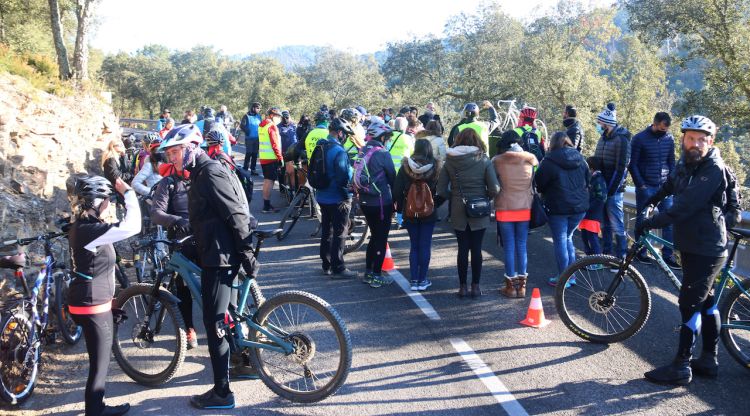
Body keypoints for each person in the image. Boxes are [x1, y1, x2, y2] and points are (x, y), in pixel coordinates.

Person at [160, 124, 259, 409]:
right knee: (225, 317)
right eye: (169, 154)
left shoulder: (209, 172)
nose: (172, 158)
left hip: (221, 257)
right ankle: (244, 361)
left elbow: (235, 213)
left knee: (214, 324)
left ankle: (222, 393)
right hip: (213, 250)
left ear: (191, 147)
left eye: (176, 151)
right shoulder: (201, 173)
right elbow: (209, 215)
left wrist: (246, 252)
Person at [637, 115, 740, 386]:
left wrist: (650, 222)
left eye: (700, 139)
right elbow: (670, 184)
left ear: (710, 141)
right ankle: (708, 361)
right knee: (706, 302)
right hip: (692, 244)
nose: (694, 143)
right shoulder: (687, 162)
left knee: (689, 304)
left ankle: (682, 366)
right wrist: (652, 199)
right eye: (690, 138)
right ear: (683, 139)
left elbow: (685, 207)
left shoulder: (713, 168)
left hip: (707, 247)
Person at [67, 175, 140, 416]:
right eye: (107, 198)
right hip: (92, 304)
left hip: (88, 301)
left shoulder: (84, 225)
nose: (109, 203)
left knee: (99, 360)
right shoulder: (90, 230)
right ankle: (96, 411)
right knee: (99, 365)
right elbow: (133, 226)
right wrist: (129, 194)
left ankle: (96, 408)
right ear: (99, 201)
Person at [437, 128, 499, 298]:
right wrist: (485, 197)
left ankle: (462, 287)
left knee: (462, 248)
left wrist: (455, 196)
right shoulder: (484, 159)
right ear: (477, 141)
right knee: (477, 248)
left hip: (458, 208)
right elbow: (494, 188)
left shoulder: (450, 161)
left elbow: (441, 190)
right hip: (479, 207)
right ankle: (476, 286)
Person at [149, 161, 201, 350]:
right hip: (181, 243)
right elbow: (156, 213)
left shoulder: (204, 178)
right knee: (182, 289)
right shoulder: (168, 183)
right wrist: (177, 221)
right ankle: (189, 329)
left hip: (205, 239)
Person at [535, 132, 590, 286]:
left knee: (560, 240)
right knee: (568, 238)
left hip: (558, 207)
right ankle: (571, 276)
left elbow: (539, 184)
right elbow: (587, 180)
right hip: (579, 207)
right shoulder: (580, 158)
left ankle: (564, 277)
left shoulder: (549, 161)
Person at [629, 112, 679, 268]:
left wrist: (672, 181)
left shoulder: (669, 139)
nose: (664, 131)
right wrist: (641, 185)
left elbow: (671, 162)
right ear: (655, 123)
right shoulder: (639, 138)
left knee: (669, 220)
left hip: (665, 187)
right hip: (646, 187)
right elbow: (633, 164)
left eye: (666, 129)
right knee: (643, 220)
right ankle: (640, 252)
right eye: (662, 128)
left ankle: (668, 256)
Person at [492, 129, 538, 298]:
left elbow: (493, 184)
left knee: (509, 246)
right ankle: (523, 286)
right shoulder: (531, 160)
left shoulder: (497, 161)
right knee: (522, 245)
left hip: (505, 207)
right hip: (525, 207)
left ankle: (510, 287)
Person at [393, 137, 443, 291]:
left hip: (410, 213)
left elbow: (396, 191)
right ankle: (423, 280)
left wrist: (401, 210)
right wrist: (434, 205)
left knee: (414, 246)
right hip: (429, 213)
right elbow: (444, 191)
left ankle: (414, 280)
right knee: (425, 245)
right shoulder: (436, 167)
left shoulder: (405, 166)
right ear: (429, 149)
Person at [354, 121, 396, 288]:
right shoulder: (383, 154)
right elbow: (393, 177)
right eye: (387, 138)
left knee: (374, 235)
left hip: (364, 200)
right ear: (383, 137)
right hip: (380, 201)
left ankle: (368, 272)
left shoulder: (362, 150)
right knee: (381, 237)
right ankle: (377, 276)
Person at [315, 118, 358, 279]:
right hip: (337, 197)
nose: (345, 137)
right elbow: (343, 176)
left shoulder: (322, 146)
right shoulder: (339, 151)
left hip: (322, 195)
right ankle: (338, 267)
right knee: (340, 232)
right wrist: (348, 193)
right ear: (340, 133)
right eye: (345, 134)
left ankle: (326, 264)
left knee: (327, 230)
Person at [593, 102, 631, 266]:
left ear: (606, 123)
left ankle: (621, 259)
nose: (598, 126)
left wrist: (611, 190)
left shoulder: (621, 140)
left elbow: (621, 167)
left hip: (614, 191)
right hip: (603, 188)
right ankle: (606, 256)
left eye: (599, 123)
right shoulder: (603, 138)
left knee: (617, 224)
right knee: (605, 224)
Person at [579, 156, 607, 263]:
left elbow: (601, 198)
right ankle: (589, 259)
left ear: (590, 167)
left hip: (593, 214)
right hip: (588, 213)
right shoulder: (593, 178)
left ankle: (597, 261)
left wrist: (588, 207)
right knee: (585, 236)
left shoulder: (598, 179)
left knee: (592, 238)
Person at [258, 107, 284, 213]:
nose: (279, 119)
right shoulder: (271, 126)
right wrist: (280, 157)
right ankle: (266, 207)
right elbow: (274, 144)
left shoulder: (262, 125)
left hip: (264, 157)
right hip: (271, 157)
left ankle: (266, 204)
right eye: (278, 116)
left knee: (266, 181)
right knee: (269, 181)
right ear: (272, 116)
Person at [240, 102, 263, 174]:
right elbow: (242, 126)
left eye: (259, 108)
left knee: (255, 154)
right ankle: (245, 168)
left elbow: (261, 126)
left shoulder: (259, 116)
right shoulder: (246, 116)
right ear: (253, 108)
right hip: (249, 138)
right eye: (257, 108)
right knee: (249, 153)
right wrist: (247, 132)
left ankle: (253, 169)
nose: (258, 110)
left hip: (257, 138)